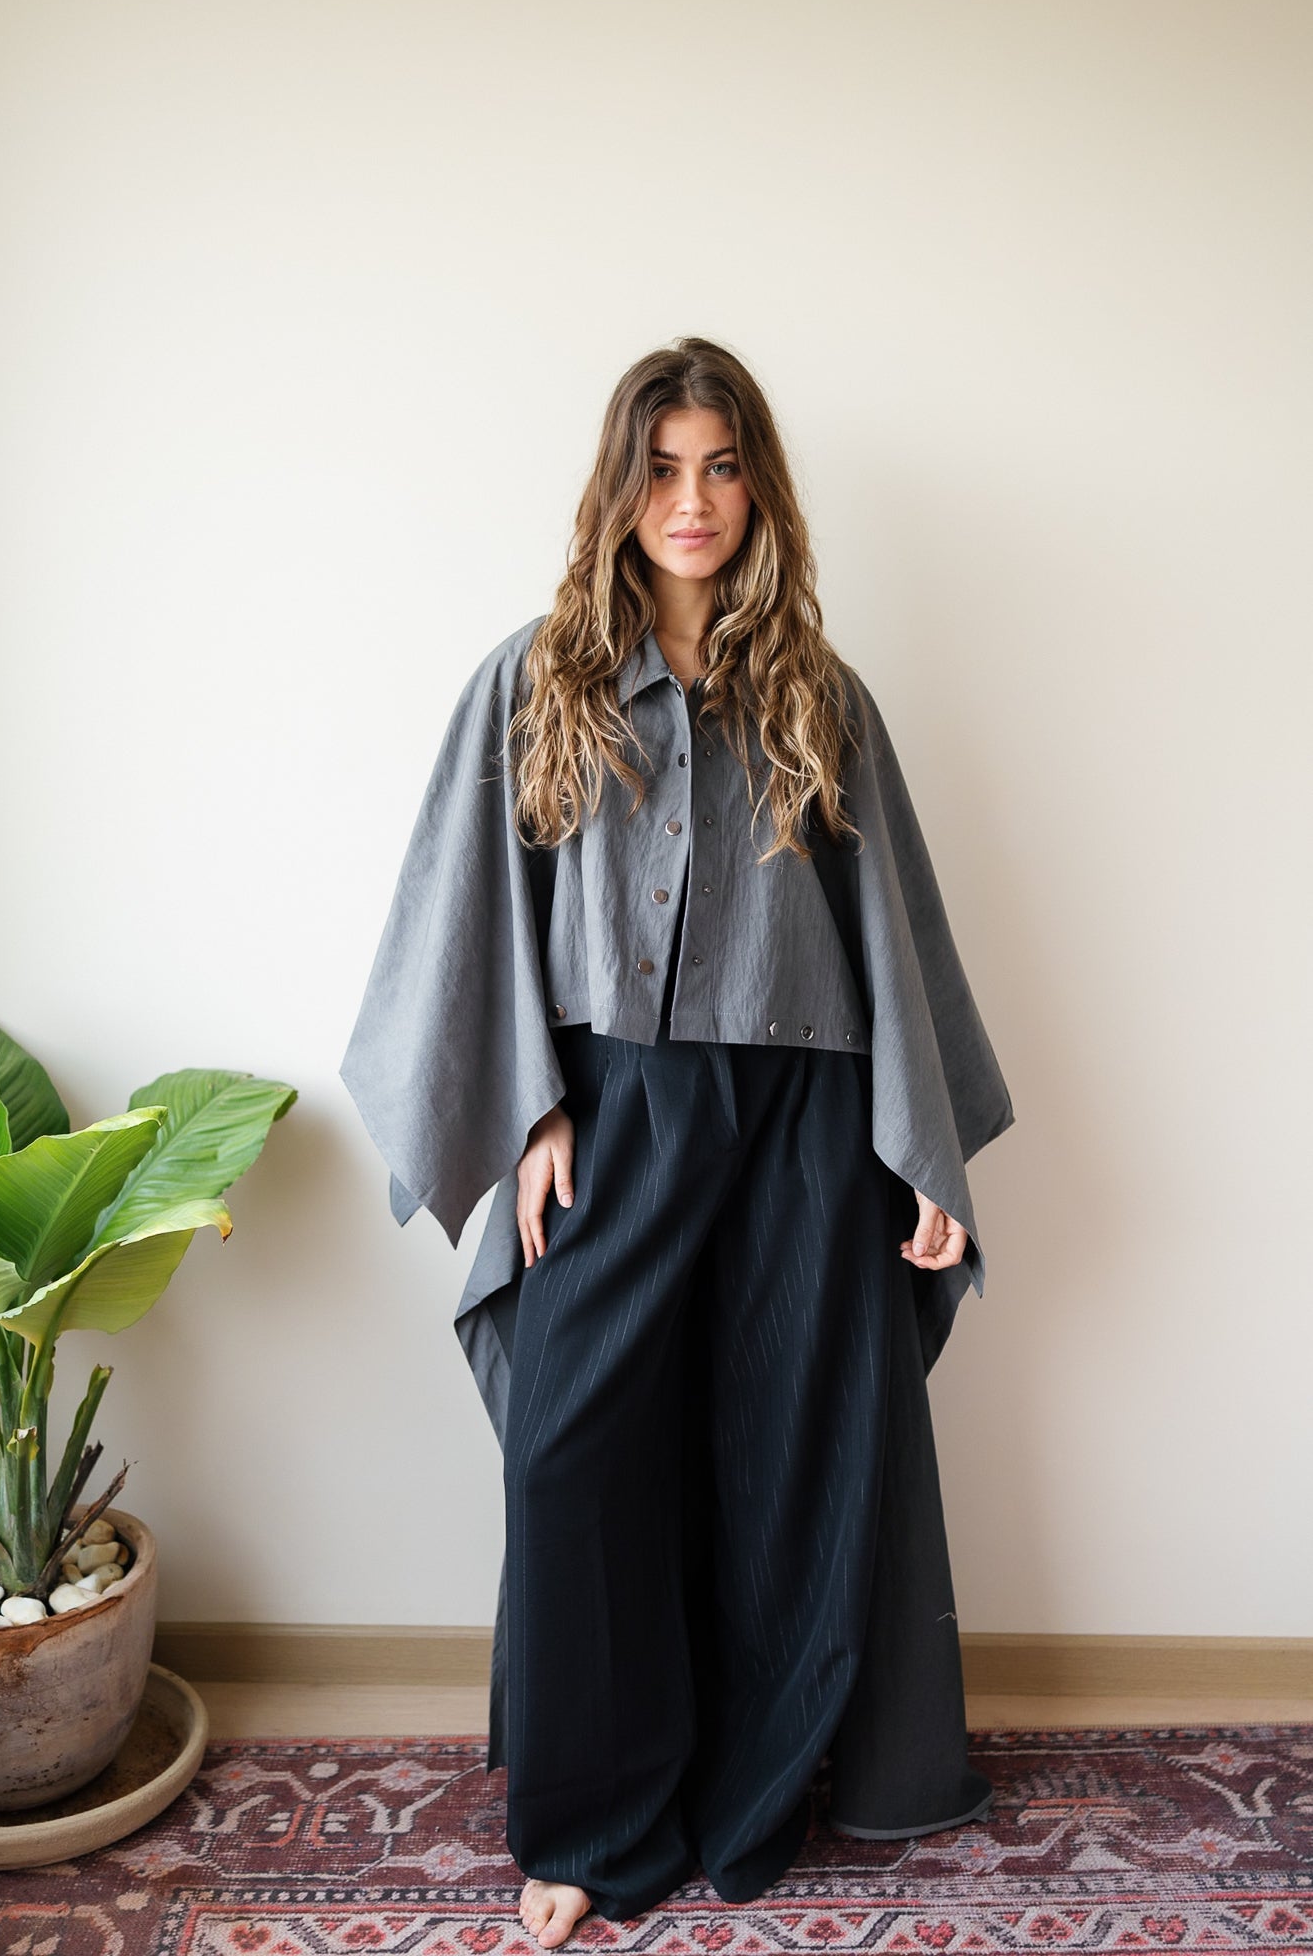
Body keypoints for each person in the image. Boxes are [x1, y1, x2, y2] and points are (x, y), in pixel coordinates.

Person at [340, 336, 1015, 1948]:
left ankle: (749, 1794)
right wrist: (528, 1109)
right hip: (609, 1111)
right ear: (619, 488)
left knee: (781, 1453)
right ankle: (589, 1829)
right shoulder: (537, 680)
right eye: (660, 470)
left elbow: (890, 934)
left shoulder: (818, 696)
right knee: (574, 1455)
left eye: (720, 468)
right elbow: (469, 911)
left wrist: (917, 1156)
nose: (691, 500)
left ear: (757, 488)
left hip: (799, 1118)